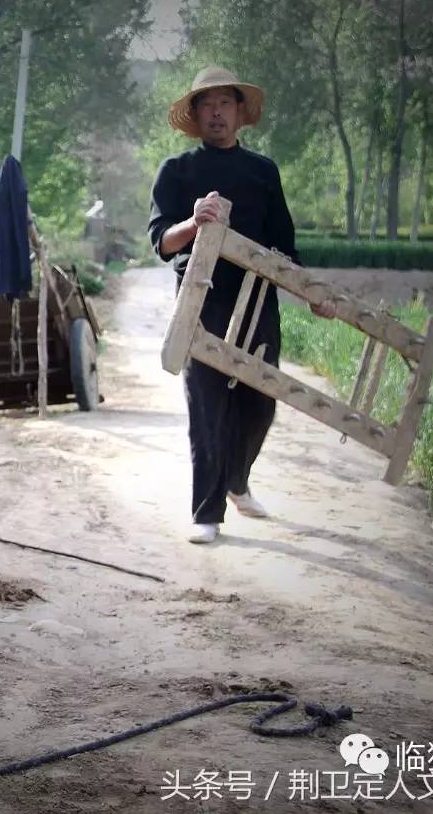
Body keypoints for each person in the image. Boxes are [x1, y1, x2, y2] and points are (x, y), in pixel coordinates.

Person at [147, 66, 335, 545]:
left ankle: (236, 478)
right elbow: (162, 242)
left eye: (225, 102)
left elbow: (286, 248)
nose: (216, 111)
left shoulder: (263, 172)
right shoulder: (177, 171)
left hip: (257, 303)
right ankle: (206, 512)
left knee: (259, 403)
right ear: (195, 114)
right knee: (207, 406)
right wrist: (193, 222)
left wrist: (311, 295)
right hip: (201, 301)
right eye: (207, 103)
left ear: (238, 112)